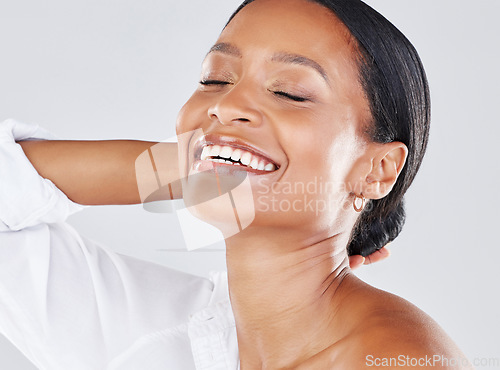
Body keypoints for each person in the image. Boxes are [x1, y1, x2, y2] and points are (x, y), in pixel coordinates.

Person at [0, 0, 472, 368]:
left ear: (377, 170)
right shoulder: (160, 333)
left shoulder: (398, 357)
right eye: (215, 79)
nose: (226, 105)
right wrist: (191, 164)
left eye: (289, 92)